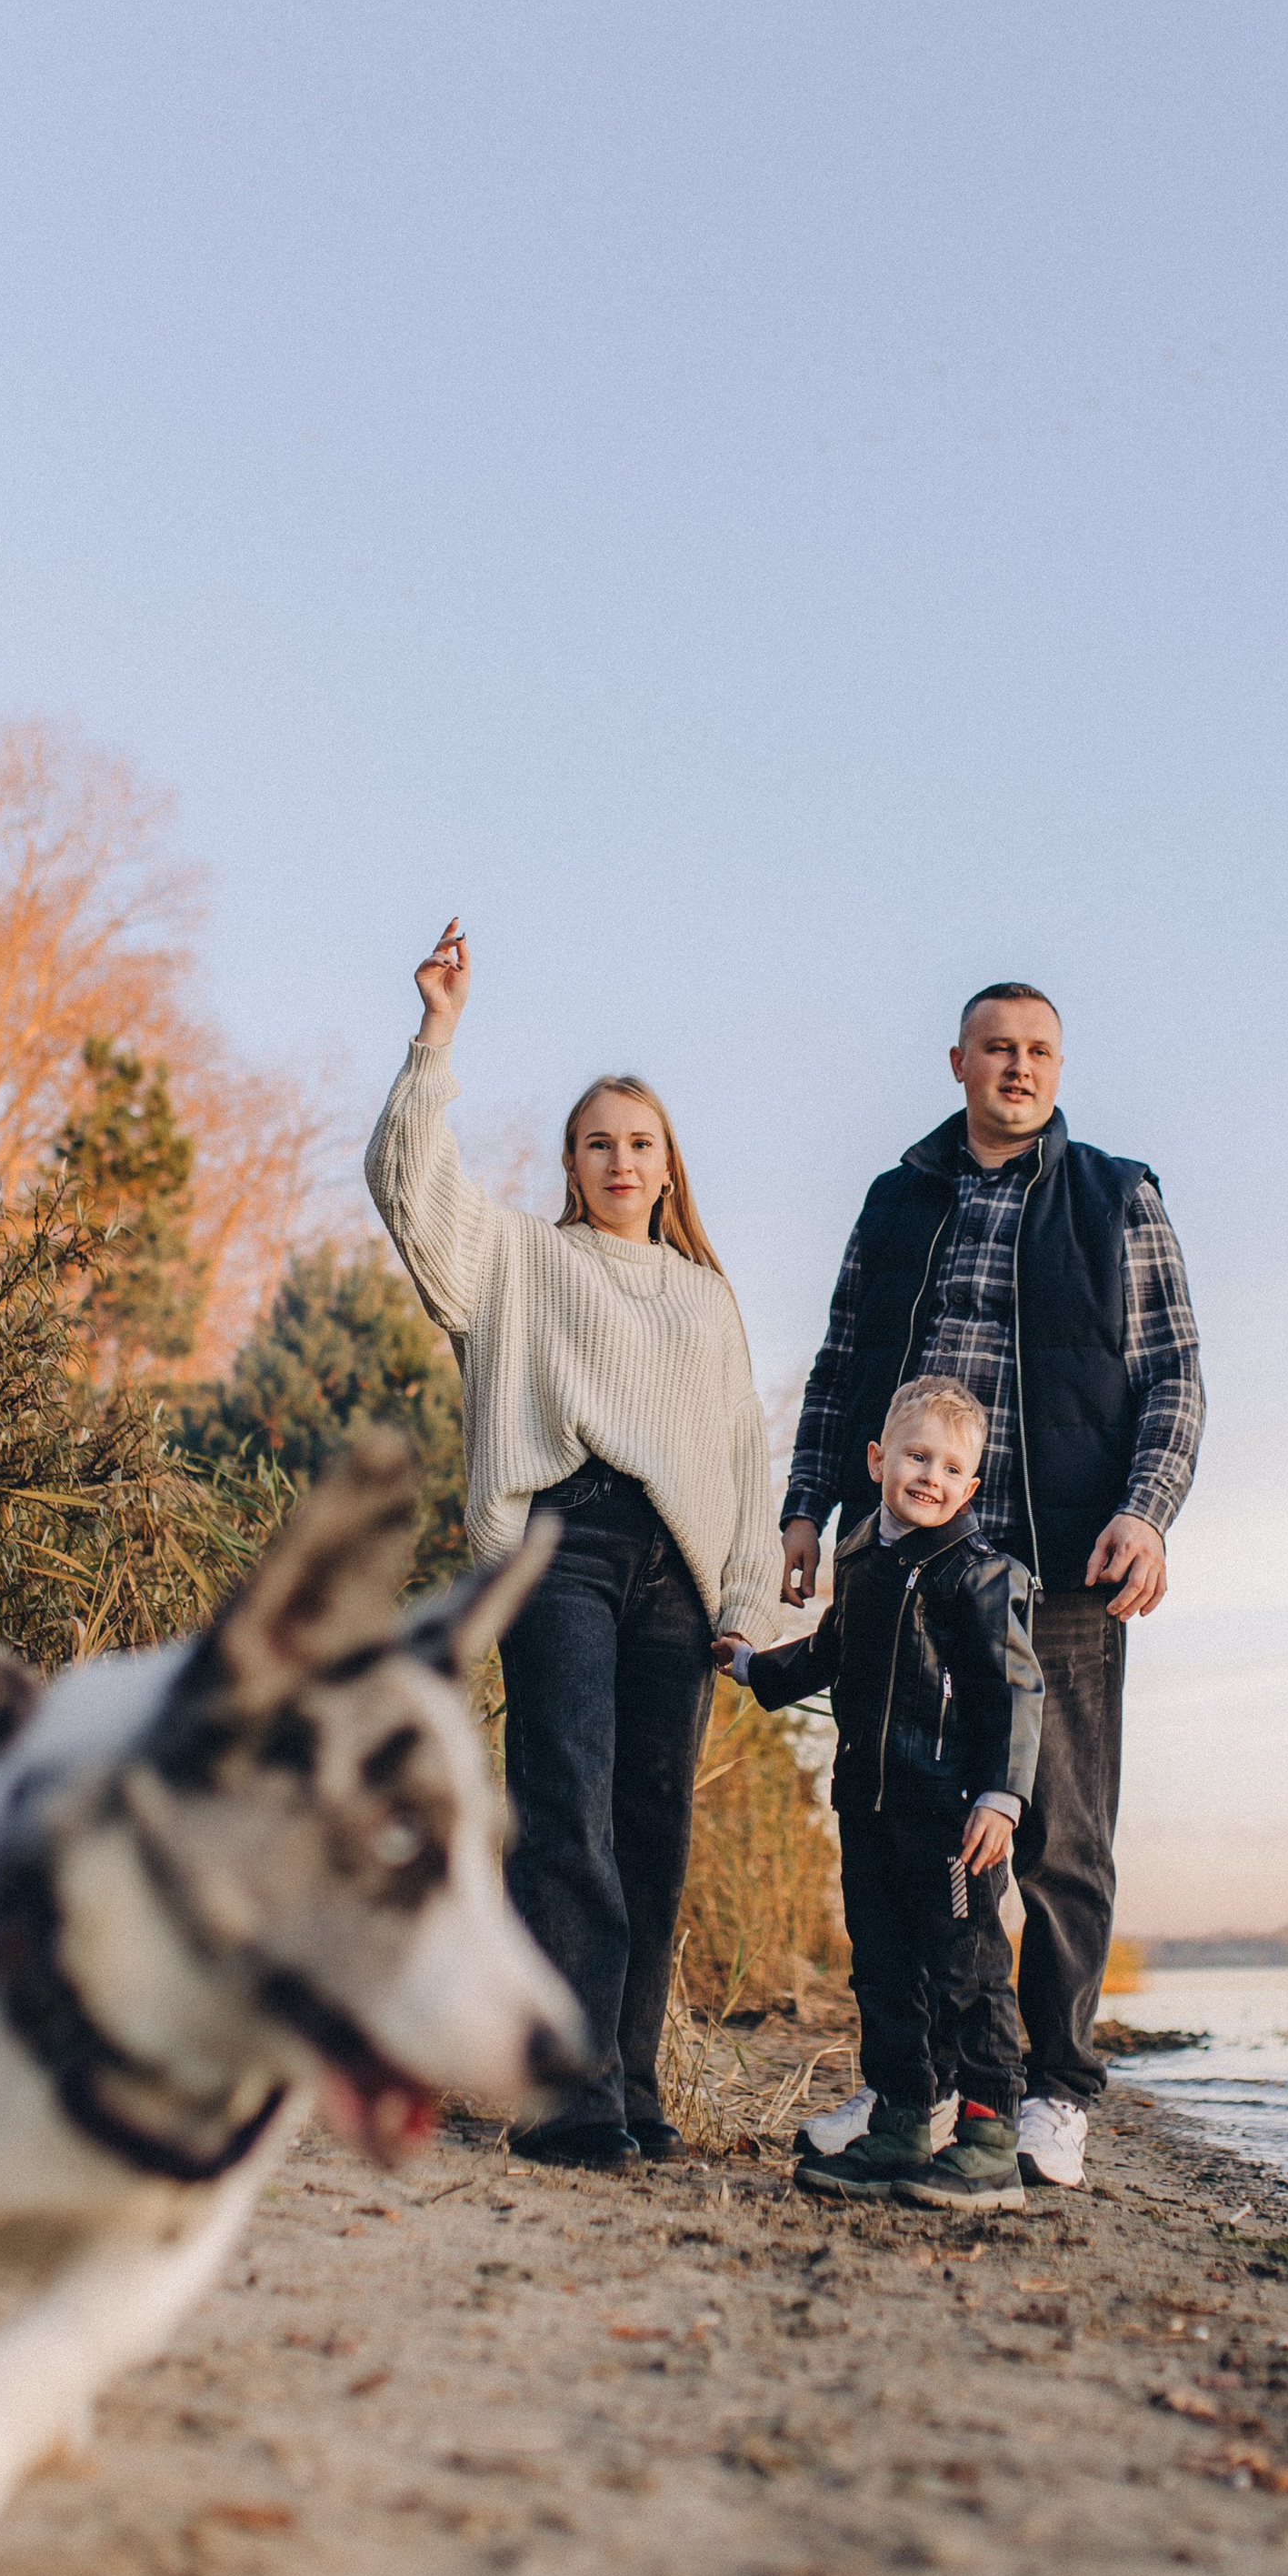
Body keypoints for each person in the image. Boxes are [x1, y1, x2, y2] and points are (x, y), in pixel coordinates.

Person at [364, 917, 780, 2169]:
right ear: (570, 1162)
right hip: (563, 1545)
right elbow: (408, 1186)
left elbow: (741, 1456)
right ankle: (564, 2098)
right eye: (598, 1142)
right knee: (566, 1813)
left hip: (678, 1570)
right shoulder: (521, 1259)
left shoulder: (707, 1297)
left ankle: (631, 2088)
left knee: (652, 1829)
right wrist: (437, 1036)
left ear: (668, 1165)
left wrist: (746, 1600)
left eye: (639, 1143)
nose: (620, 1160)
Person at [779, 984, 1203, 2193]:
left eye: (1039, 1051)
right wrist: (809, 1505)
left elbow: (1173, 1376)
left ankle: (1053, 2095)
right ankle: (910, 2087)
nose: (1019, 1067)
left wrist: (1145, 1512)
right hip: (904, 1572)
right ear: (957, 1061)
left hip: (1058, 1569)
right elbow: (841, 1366)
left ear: (1058, 1067)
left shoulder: (1117, 1196)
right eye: (997, 1048)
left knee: (1059, 1840)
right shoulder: (897, 1198)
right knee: (904, 1838)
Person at [717, 1378, 1043, 2213]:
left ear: (972, 1486)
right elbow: (830, 1650)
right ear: (877, 1461)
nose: (931, 1476)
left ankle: (990, 2139)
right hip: (867, 1808)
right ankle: (901, 2123)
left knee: (967, 1970)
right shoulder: (861, 1558)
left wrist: (1001, 1797)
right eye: (916, 1457)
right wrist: (753, 1666)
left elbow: (1014, 1692)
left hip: (953, 1817)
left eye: (951, 1467)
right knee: (885, 1971)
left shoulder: (982, 1576)